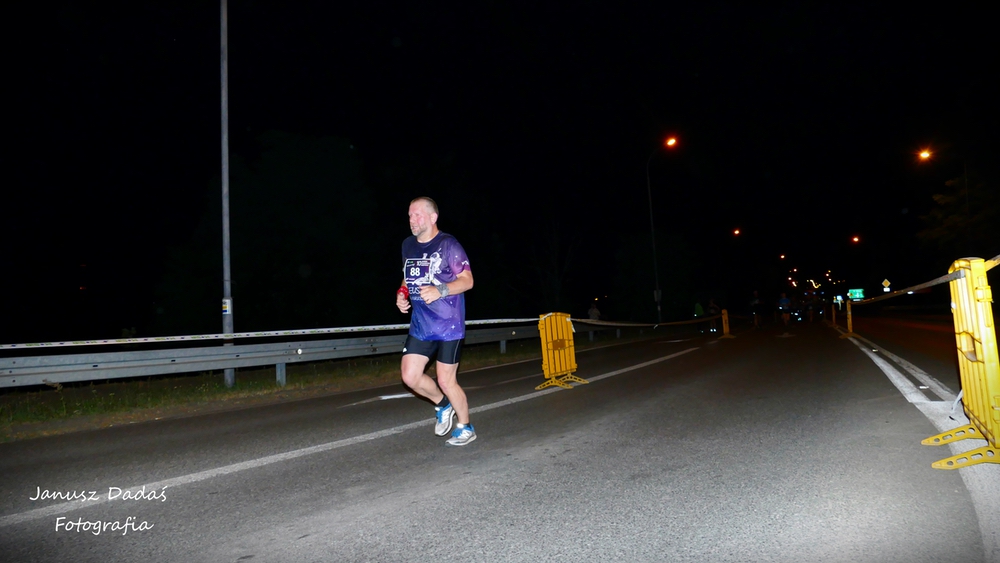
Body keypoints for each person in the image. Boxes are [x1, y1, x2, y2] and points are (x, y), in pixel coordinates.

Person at [396, 197, 476, 446]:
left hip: (448, 325)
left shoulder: (448, 245)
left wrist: (440, 290)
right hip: (421, 325)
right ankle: (443, 405)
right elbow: (408, 275)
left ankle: (465, 427)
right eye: (410, 215)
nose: (412, 220)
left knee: (445, 380)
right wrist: (402, 293)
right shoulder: (408, 245)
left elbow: (468, 281)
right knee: (409, 376)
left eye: (417, 215)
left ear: (433, 218)